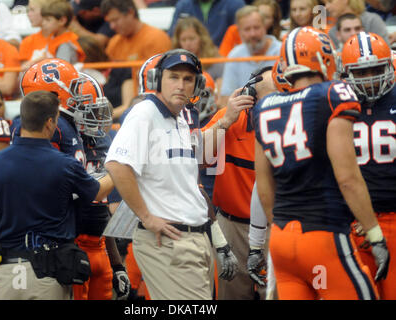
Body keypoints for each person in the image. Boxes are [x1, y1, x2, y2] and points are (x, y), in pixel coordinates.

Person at [253, 26, 389, 299]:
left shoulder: (265, 107)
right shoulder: (333, 94)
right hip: (322, 234)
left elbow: (264, 187)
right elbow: (348, 178)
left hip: (281, 238)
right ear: (324, 59)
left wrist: (279, 224)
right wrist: (375, 234)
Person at [105, 49, 238, 300]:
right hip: (170, 241)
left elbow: (192, 178)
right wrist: (147, 216)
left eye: (188, 79)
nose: (181, 85)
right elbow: (116, 165)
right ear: (158, 80)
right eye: (174, 77)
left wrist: (225, 120)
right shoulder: (145, 113)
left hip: (194, 238)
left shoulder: (181, 118)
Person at [0, 90, 115, 299]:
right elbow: (98, 193)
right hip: (47, 275)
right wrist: (117, 170)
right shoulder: (65, 165)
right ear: (49, 123)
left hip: (3, 273)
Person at [200, 67, 274, 300]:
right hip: (232, 227)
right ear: (250, 97)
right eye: (271, 98)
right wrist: (226, 121)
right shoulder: (230, 117)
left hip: (276, 227)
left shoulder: (291, 122)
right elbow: (197, 159)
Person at [341, 31, 396, 300]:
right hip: (352, 221)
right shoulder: (335, 104)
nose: (370, 78)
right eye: (361, 72)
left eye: (375, 69)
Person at [72, 72, 130, 300]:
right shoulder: (65, 147)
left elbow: (102, 210)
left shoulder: (99, 143)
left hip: (100, 245)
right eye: (91, 111)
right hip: (73, 246)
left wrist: (117, 265)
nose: (98, 116)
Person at [101, 0, 172, 95]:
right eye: (109, 22)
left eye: (115, 20)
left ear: (130, 13)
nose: (112, 26)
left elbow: (159, 78)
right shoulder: (114, 42)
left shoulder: (156, 38)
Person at [219, 5, 281, 107]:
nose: (252, 34)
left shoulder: (281, 51)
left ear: (265, 27)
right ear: (239, 32)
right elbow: (226, 99)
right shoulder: (235, 56)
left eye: (256, 28)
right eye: (247, 29)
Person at [171, 16, 224, 90]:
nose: (188, 44)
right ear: (178, 42)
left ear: (201, 38)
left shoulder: (215, 60)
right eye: (183, 40)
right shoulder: (172, 63)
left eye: (192, 38)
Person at [167, 0, 245, 47]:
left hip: (223, 60)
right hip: (188, 60)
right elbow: (173, 37)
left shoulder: (235, 4)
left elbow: (242, 38)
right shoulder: (183, 5)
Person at [325, 0, 389, 49]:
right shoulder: (332, 32)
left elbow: (386, 51)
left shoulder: (372, 21)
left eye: (330, 1)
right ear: (338, 34)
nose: (326, 7)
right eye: (347, 30)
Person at [18, 0, 54, 72]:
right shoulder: (27, 41)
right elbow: (24, 73)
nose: (28, 14)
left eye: (32, 10)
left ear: (46, 12)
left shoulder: (64, 37)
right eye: (28, 10)